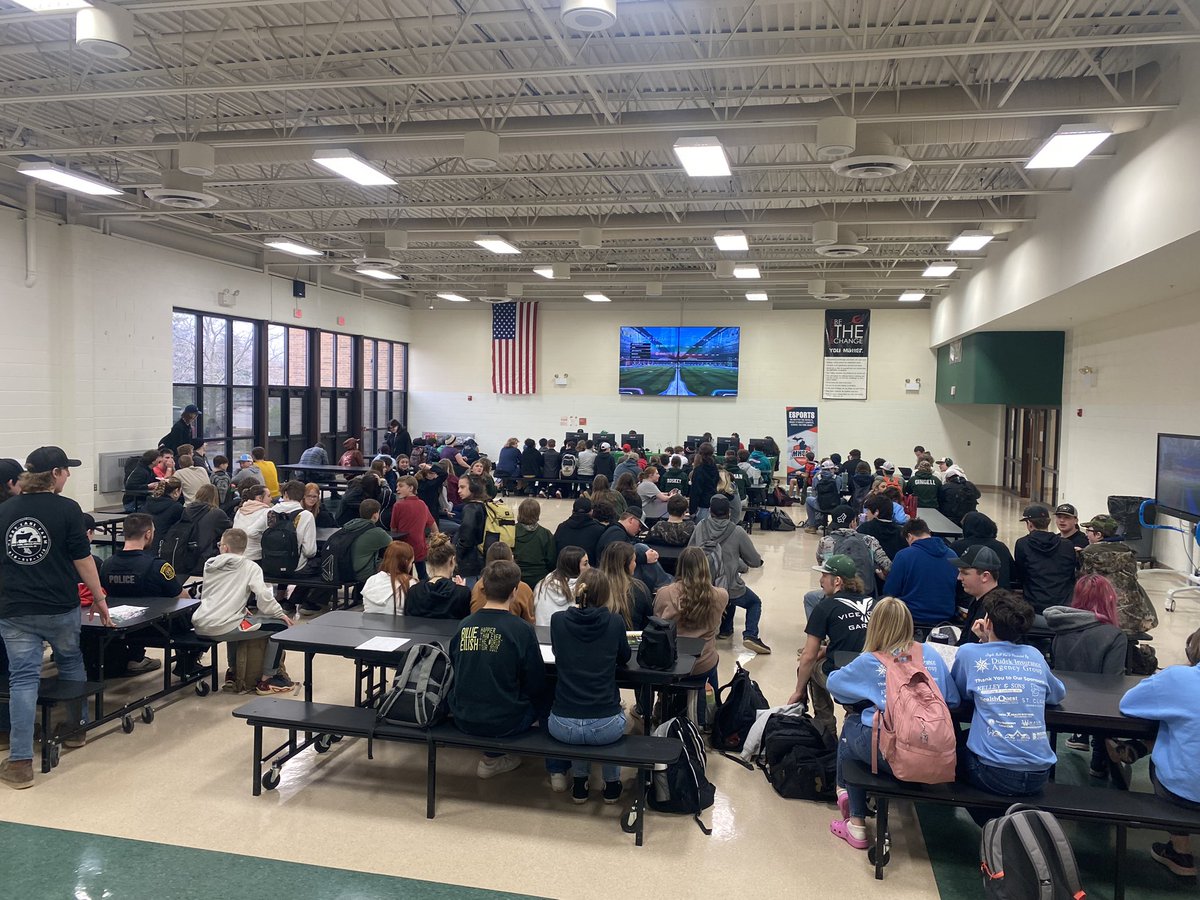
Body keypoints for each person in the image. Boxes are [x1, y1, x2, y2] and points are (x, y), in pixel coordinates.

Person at [1, 447, 111, 790]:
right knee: (70, 662)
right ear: (54, 474)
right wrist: (99, 596)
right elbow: (83, 559)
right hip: (60, 607)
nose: (68, 477)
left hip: (14, 610)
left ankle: (20, 761)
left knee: (22, 680)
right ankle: (76, 729)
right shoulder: (67, 509)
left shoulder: (4, 511)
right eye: (66, 471)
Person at [827, 597, 960, 850]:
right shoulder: (929, 653)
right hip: (937, 756)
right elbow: (952, 700)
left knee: (853, 725)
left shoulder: (871, 661)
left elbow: (835, 686)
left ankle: (852, 811)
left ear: (875, 625)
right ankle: (849, 795)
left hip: (893, 754)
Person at [951, 590, 1065, 810]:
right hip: (1039, 774)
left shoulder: (969, 653)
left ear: (988, 623)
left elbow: (960, 693)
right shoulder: (1034, 655)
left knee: (949, 748)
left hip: (992, 773)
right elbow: (1057, 693)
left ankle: (987, 821)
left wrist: (982, 643)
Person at [449, 559, 547, 778]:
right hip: (506, 721)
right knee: (546, 696)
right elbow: (536, 681)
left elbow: (456, 667)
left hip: (463, 716)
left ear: (482, 587)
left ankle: (492, 755)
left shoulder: (464, 625)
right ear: (514, 591)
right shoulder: (521, 630)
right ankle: (552, 768)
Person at [1115, 627, 1200, 877]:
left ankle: (1180, 850)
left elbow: (1129, 703)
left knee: (1171, 733)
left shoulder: (1178, 679)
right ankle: (1139, 747)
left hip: (1183, 792)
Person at [547, 566, 631, 802]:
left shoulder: (558, 621)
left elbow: (557, 650)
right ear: (606, 594)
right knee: (617, 715)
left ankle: (580, 782)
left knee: (577, 713)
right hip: (606, 725)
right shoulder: (614, 622)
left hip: (563, 724)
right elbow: (624, 657)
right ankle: (612, 784)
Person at [1044, 574, 1129, 782]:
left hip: (1063, 705)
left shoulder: (1060, 630)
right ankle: (1099, 761)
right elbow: (1113, 682)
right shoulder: (1114, 635)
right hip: (1098, 711)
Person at [193, 528, 294, 694]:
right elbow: (263, 596)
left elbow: (215, 593)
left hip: (200, 623)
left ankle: (233, 672)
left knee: (237, 618)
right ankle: (268, 680)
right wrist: (279, 613)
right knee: (280, 627)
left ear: (224, 547)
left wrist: (241, 607)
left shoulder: (209, 565)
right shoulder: (250, 567)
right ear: (244, 548)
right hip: (222, 627)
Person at [789, 554, 875, 736]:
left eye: (824, 576)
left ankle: (826, 726)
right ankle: (854, 717)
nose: (820, 580)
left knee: (811, 668)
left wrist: (798, 691)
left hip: (847, 675)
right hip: (874, 675)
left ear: (837, 581)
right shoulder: (873, 604)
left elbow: (808, 655)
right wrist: (828, 650)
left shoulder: (825, 607)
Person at [653, 547, 728, 725]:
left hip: (672, 663)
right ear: (705, 567)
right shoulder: (720, 595)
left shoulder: (665, 593)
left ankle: (661, 704)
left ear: (680, 567)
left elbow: (657, 622)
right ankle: (712, 710)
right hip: (703, 663)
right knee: (712, 659)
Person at [688, 494, 770, 654]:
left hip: (702, 585)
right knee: (754, 602)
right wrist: (738, 563)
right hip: (729, 588)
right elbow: (754, 560)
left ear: (710, 511)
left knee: (726, 593)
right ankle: (750, 635)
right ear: (729, 512)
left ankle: (726, 629)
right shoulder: (737, 531)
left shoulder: (700, 526)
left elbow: (689, 552)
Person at [1078, 513, 1158, 635]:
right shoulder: (1127, 551)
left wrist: (1078, 553)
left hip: (1105, 620)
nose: (1086, 534)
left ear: (1098, 535)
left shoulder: (1089, 553)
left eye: (1089, 531)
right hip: (1134, 620)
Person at [808, 505, 890, 615]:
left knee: (809, 598)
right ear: (853, 522)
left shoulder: (826, 541)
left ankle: (819, 629)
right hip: (866, 595)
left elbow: (824, 568)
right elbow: (888, 566)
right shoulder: (869, 540)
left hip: (836, 596)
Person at [881, 519, 959, 631]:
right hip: (945, 621)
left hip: (911, 620)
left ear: (910, 536)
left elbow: (890, 592)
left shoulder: (904, 556)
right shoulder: (952, 555)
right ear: (929, 532)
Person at [1013, 503, 1078, 613]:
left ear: (1029, 524)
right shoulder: (1067, 545)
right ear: (1048, 522)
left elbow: (1021, 573)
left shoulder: (1022, 544)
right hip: (1063, 604)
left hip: (1034, 604)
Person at [404, 534, 472, 619]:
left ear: (429, 561)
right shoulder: (462, 593)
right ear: (452, 560)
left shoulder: (413, 591)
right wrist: (461, 591)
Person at [952, 544, 1006, 646]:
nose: (959, 577)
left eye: (965, 573)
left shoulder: (998, 610)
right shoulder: (978, 600)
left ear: (985, 576)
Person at [470, 543, 536, 622]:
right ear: (512, 559)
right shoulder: (523, 589)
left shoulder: (477, 586)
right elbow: (529, 622)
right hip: (513, 631)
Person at [949, 512, 1014, 590]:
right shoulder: (1001, 547)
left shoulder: (957, 546)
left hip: (966, 595)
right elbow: (1013, 573)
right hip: (1000, 594)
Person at [178, 483, 232, 575]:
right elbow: (231, 529)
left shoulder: (187, 510)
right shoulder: (217, 513)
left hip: (186, 555)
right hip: (208, 556)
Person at [389, 474, 437, 579]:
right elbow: (433, 524)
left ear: (411, 488)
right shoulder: (422, 504)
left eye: (401, 486)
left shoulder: (398, 505)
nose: (397, 489)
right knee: (423, 574)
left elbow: (393, 528)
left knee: (405, 576)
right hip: (420, 546)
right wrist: (436, 539)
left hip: (404, 547)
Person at [598, 542, 653, 630]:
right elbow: (648, 619)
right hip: (632, 640)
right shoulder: (639, 588)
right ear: (625, 564)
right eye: (634, 561)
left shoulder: (593, 586)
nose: (635, 564)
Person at [341, 499, 394, 585]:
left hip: (344, 569)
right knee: (392, 564)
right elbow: (392, 544)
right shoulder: (377, 532)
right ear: (375, 515)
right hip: (362, 573)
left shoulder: (349, 525)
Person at [272, 480, 318, 574]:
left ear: (285, 494)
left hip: (270, 564)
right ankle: (298, 589)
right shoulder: (307, 515)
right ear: (302, 496)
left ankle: (283, 588)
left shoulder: (271, 511)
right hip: (296, 567)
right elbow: (309, 551)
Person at [533, 546, 587, 626]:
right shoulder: (582, 589)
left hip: (543, 634)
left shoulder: (541, 585)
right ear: (573, 566)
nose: (589, 567)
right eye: (585, 564)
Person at [453, 474, 489, 587]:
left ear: (473, 488)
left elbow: (466, 537)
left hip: (469, 562)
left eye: (463, 487)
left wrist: (457, 555)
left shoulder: (470, 508)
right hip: (481, 559)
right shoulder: (484, 504)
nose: (459, 491)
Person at [362, 541, 416, 614]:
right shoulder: (411, 583)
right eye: (411, 562)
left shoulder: (371, 580)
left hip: (368, 623)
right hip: (399, 624)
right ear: (406, 562)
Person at [514, 498, 556, 589]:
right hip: (539, 579)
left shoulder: (511, 531)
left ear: (520, 512)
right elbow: (552, 561)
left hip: (516, 577)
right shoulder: (545, 534)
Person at [553, 496, 605, 565]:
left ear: (572, 511)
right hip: (589, 572)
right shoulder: (600, 530)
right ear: (591, 512)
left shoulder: (561, 527)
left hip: (564, 571)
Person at [856, 494, 906, 561]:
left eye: (868, 510)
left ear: (876, 512)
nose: (866, 514)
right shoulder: (902, 532)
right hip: (894, 568)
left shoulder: (864, 529)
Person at [232, 483, 272, 560]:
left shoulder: (240, 510)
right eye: (269, 496)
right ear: (259, 498)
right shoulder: (267, 512)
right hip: (256, 556)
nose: (271, 499)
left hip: (238, 554)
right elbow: (251, 532)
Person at [143, 477, 185, 550]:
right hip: (165, 547)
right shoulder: (176, 507)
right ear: (176, 491)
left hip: (146, 545)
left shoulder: (147, 504)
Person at [803, 460, 841, 533]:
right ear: (830, 469)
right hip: (835, 506)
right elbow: (838, 491)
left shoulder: (816, 478)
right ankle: (835, 525)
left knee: (808, 500)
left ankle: (812, 526)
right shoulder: (838, 478)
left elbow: (814, 492)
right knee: (843, 500)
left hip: (820, 505)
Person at [688, 442, 720, 521]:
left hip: (702, 506)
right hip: (713, 504)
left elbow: (695, 491)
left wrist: (692, 510)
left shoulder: (699, 470)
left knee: (701, 531)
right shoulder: (715, 468)